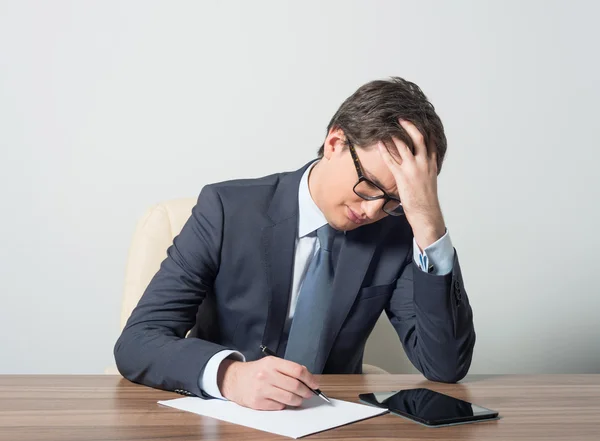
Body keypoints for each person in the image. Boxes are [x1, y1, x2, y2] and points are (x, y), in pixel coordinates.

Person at [114, 76, 476, 411]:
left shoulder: (396, 234)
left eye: (394, 202)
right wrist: (230, 376)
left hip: (331, 419)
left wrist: (427, 222)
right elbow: (138, 341)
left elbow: (444, 365)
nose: (372, 210)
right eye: (368, 185)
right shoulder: (226, 210)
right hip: (225, 415)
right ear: (335, 143)